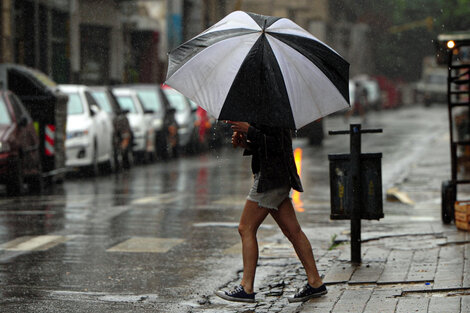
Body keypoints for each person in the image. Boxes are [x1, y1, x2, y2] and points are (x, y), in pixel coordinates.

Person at [215, 121, 327, 303]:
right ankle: (315, 282)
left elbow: (277, 145)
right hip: (275, 176)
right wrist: (246, 142)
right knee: (293, 231)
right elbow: (267, 145)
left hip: (271, 179)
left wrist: (249, 129)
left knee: (246, 228)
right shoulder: (267, 108)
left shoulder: (274, 111)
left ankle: (246, 287)